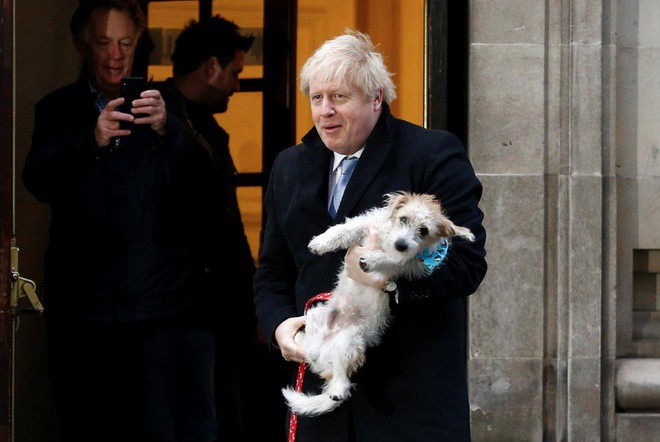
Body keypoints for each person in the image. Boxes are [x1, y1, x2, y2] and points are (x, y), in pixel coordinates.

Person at [253, 29, 488, 441]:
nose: (325, 111)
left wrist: (387, 278)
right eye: (317, 98)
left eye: (339, 97)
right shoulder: (289, 167)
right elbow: (272, 272)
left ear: (376, 97)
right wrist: (279, 327)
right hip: (323, 393)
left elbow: (467, 265)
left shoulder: (432, 154)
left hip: (410, 404)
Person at [22, 1, 217, 440]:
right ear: (81, 45)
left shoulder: (164, 103)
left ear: (138, 45)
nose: (115, 55)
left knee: (157, 430)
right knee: (88, 429)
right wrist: (90, 139)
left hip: (158, 311)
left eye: (126, 43)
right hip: (83, 315)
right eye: (104, 43)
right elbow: (38, 182)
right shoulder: (57, 110)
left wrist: (171, 132)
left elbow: (209, 184)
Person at [155, 16, 287, 441]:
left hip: (210, 305)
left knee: (217, 418)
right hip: (177, 303)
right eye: (234, 72)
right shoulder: (160, 119)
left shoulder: (206, 127)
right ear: (211, 67)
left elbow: (225, 224)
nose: (236, 85)